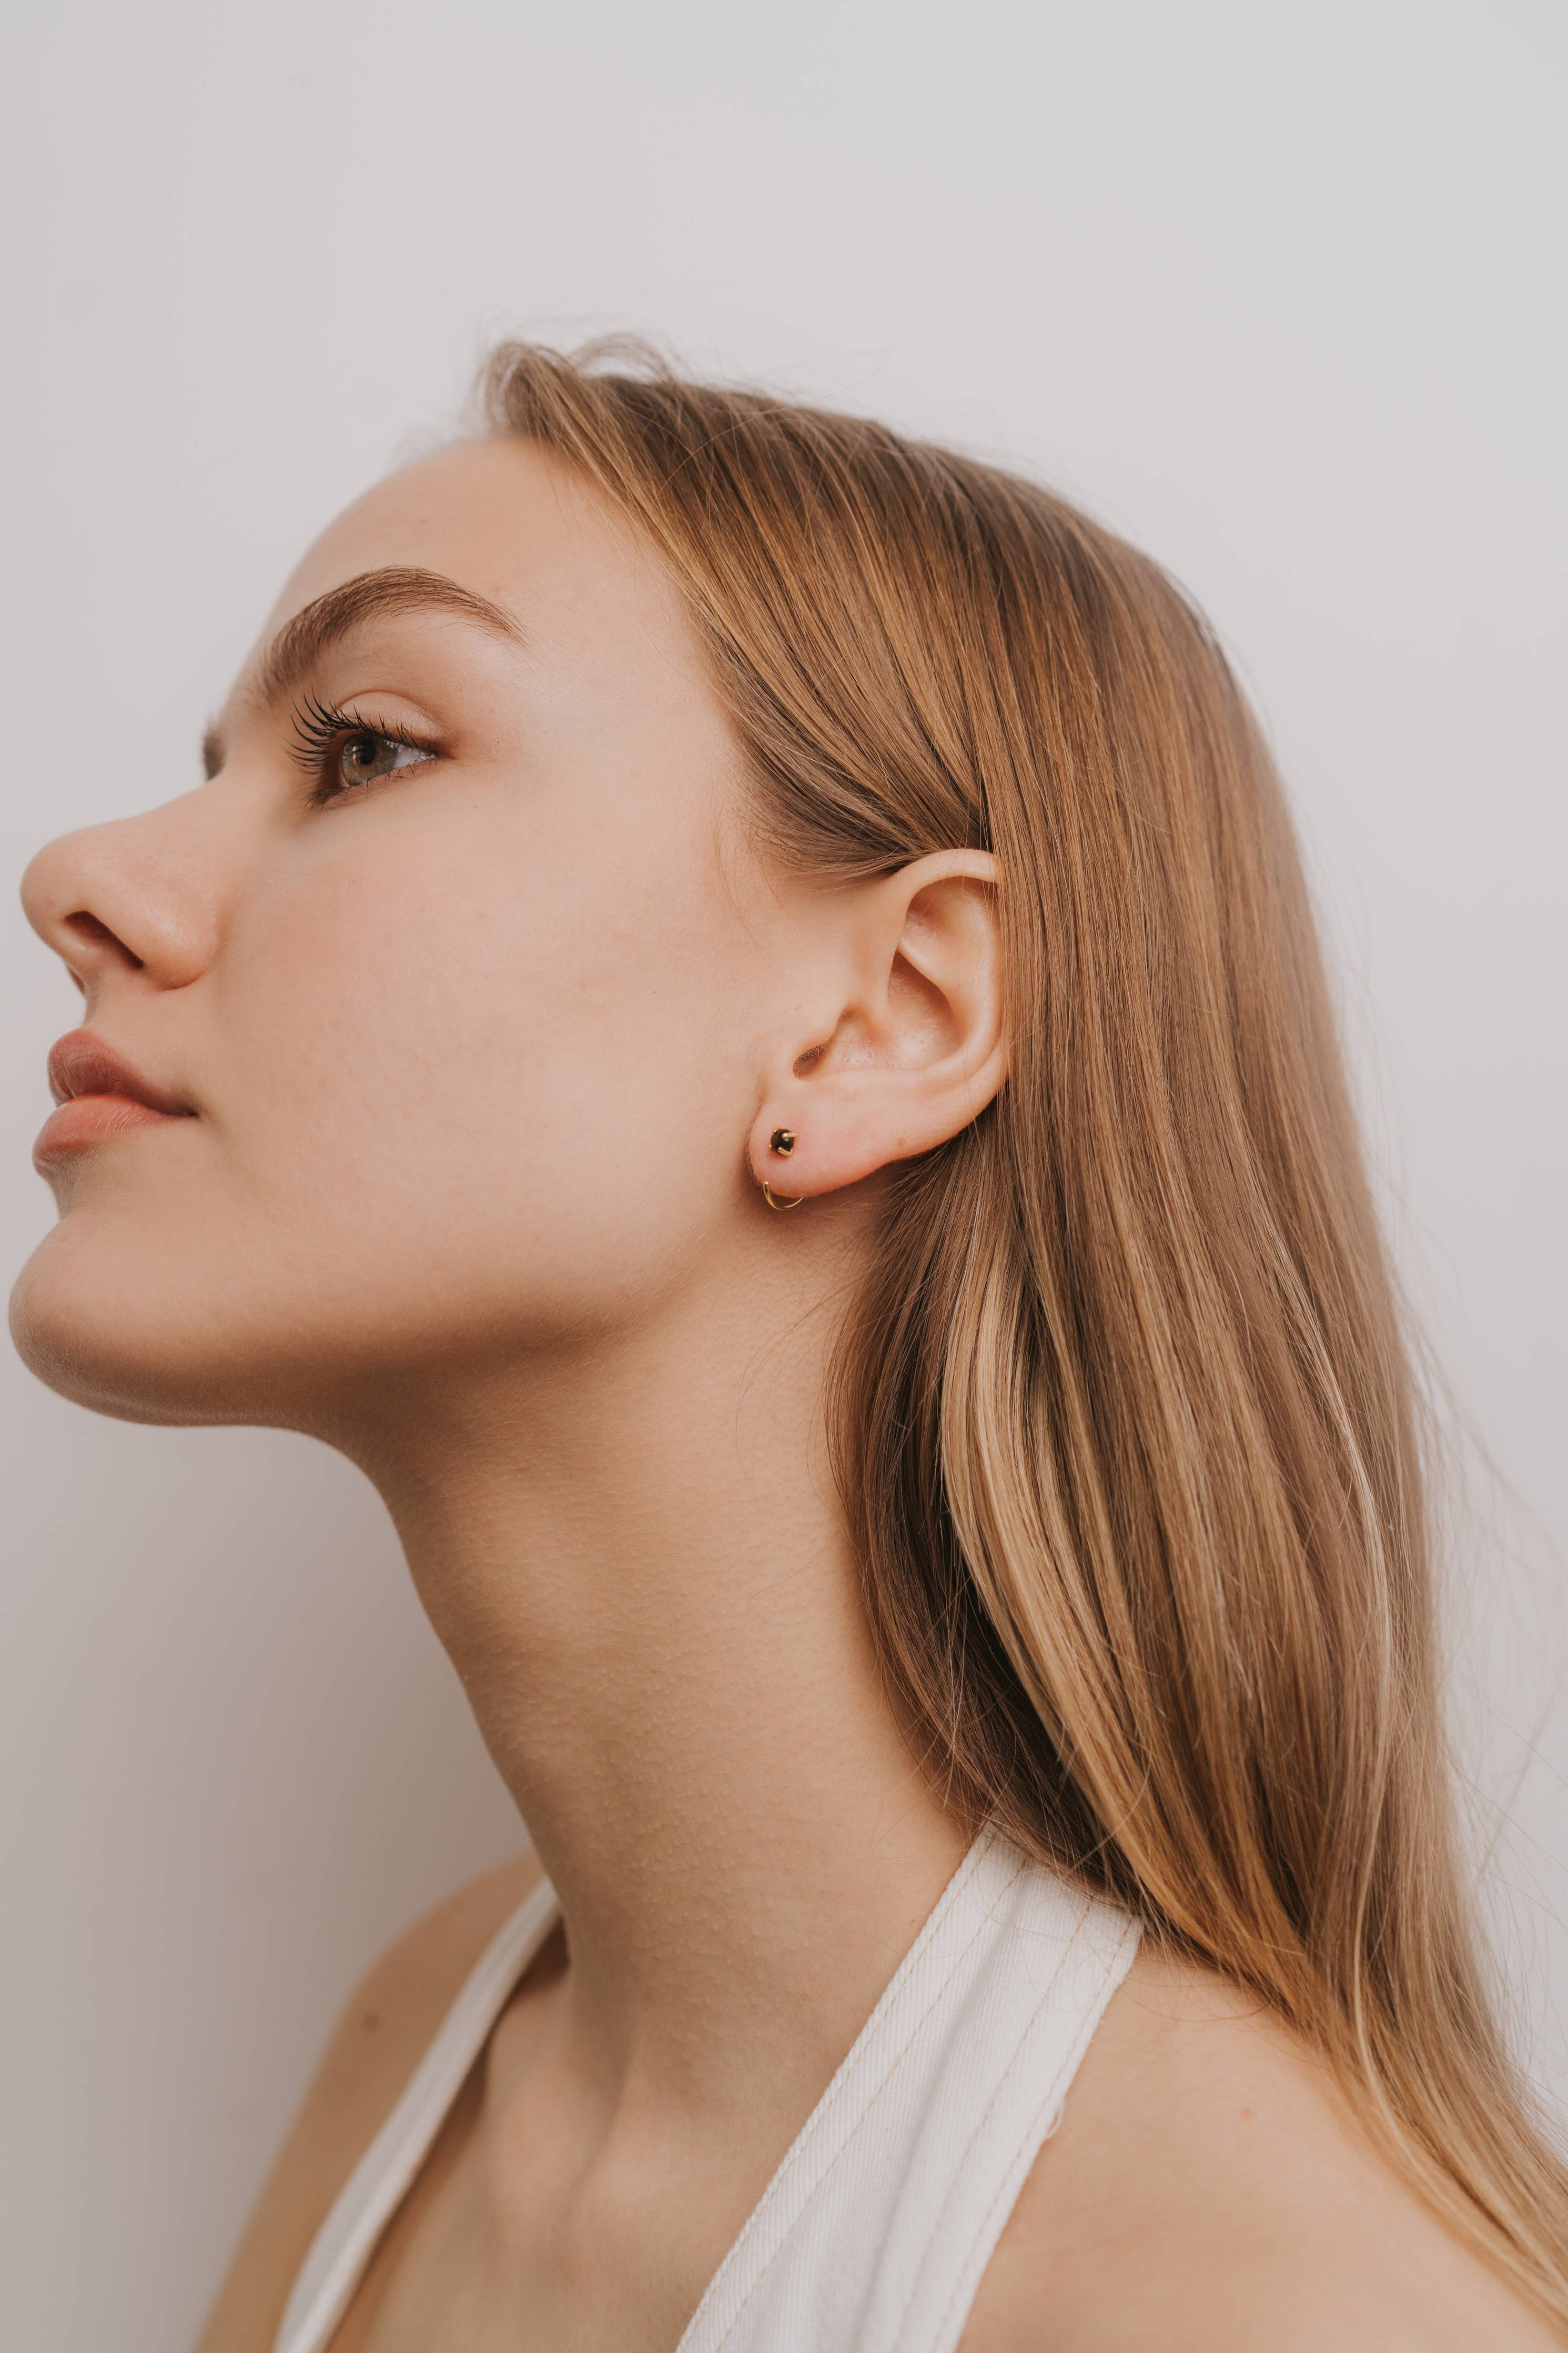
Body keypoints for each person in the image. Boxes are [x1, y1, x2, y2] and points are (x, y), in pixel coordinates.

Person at [12, 342, 1566, 2352]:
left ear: (885, 1022)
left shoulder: (1270, 2307)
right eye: (222, 759)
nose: (84, 881)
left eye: (365, 749)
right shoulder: (435, 2049)